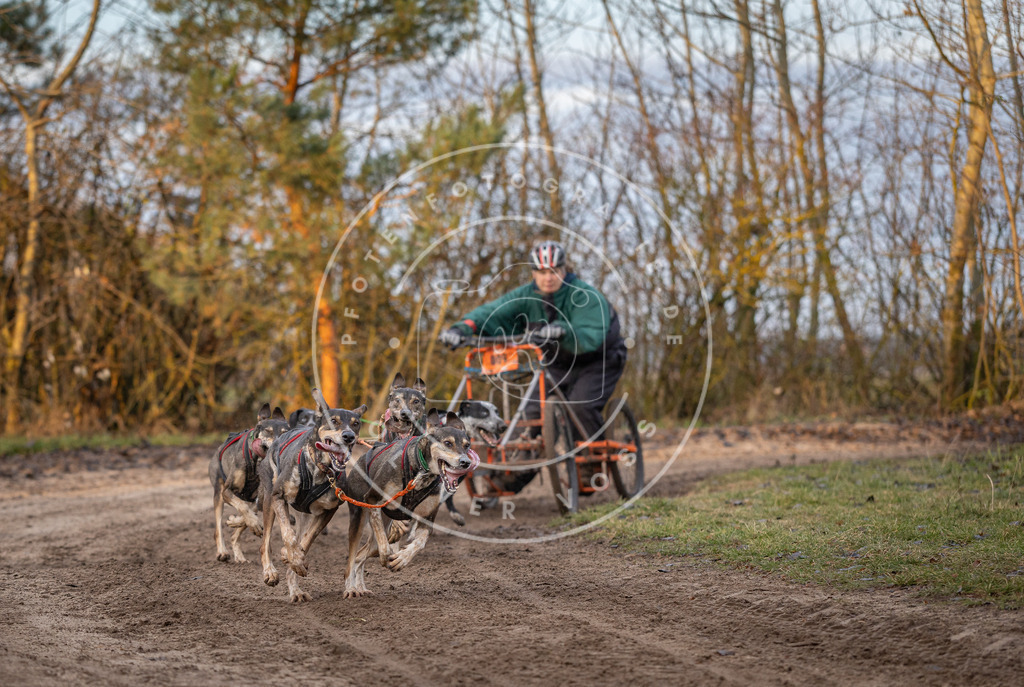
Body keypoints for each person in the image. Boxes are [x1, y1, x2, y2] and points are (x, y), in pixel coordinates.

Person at [439, 240, 627, 455]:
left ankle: (592, 463)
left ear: (564, 270)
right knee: (531, 414)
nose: (548, 277)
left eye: (554, 271)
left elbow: (590, 334)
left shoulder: (584, 295)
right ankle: (512, 473)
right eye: (542, 271)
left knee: (580, 405)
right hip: (555, 363)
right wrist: (463, 329)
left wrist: (563, 329)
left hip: (599, 360)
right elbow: (492, 313)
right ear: (533, 273)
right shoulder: (526, 295)